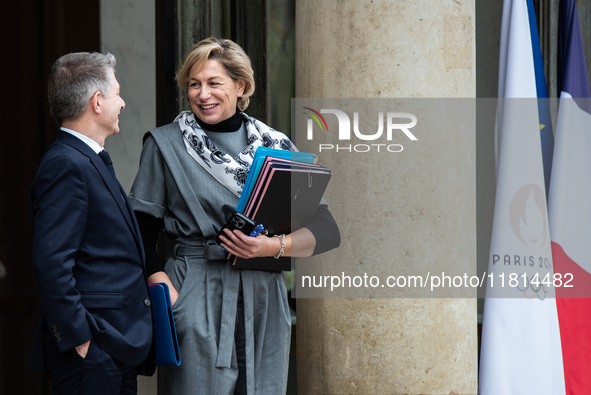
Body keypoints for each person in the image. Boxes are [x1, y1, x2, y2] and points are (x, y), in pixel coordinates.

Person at [129, 37, 340, 394]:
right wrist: (166, 291)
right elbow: (138, 231)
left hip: (265, 299)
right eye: (194, 84)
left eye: (214, 83)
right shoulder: (165, 144)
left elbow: (327, 230)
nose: (202, 94)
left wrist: (272, 247)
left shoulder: (276, 147)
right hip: (196, 290)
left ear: (240, 86)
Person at [29, 52, 155, 395]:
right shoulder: (66, 165)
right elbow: (51, 263)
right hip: (93, 351)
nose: (123, 103)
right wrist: (80, 338)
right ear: (97, 102)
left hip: (114, 345)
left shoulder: (85, 158)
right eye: (117, 94)